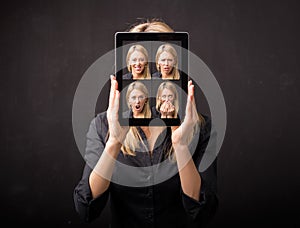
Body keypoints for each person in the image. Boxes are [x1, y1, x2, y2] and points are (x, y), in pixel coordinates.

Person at [73, 18, 218, 228]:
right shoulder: (103, 126)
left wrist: (180, 145)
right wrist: (114, 142)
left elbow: (203, 212)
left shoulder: (200, 128)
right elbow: (86, 209)